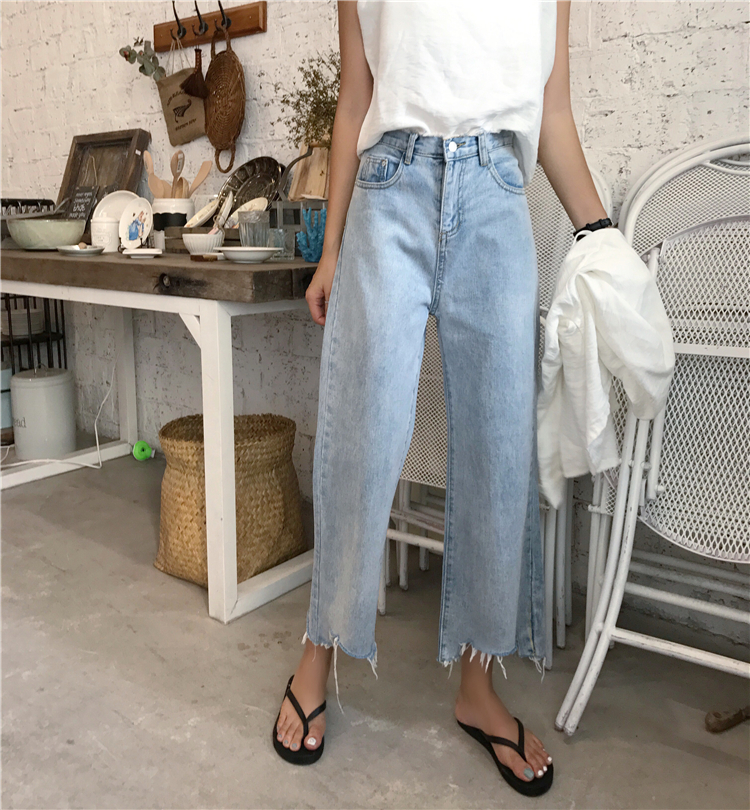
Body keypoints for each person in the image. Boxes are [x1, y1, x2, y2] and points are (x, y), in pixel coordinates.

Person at [272, 0, 612, 796]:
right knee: (359, 438)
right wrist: (330, 250)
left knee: (497, 453)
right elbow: (354, 99)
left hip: (497, 194)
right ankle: (318, 650)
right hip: (390, 185)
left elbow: (552, 111)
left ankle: (477, 687)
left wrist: (602, 235)